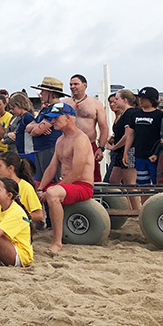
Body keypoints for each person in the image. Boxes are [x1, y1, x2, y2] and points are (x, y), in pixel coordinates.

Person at [37, 103, 95, 253]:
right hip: (65, 185)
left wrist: (52, 189)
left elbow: (77, 172)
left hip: (82, 185)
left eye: (56, 118)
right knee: (25, 186)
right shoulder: (60, 140)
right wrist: (40, 188)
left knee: (53, 193)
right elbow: (51, 168)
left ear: (68, 118)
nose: (53, 121)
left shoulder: (80, 139)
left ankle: (57, 242)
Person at [62, 74, 109, 183]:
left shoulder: (96, 104)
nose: (72, 87)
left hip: (89, 144)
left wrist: (101, 148)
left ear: (85, 85)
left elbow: (104, 127)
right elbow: (52, 120)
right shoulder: (64, 103)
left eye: (76, 84)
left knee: (92, 176)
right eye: (70, 84)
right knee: (68, 174)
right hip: (68, 143)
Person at [26, 77, 66, 182]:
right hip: (41, 148)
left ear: (50, 93)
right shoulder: (45, 109)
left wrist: (37, 127)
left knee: (51, 179)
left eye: (43, 91)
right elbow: (29, 127)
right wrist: (38, 126)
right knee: (42, 180)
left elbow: (36, 131)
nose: (41, 93)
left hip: (51, 148)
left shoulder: (59, 107)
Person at [106, 90, 139, 208]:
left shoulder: (130, 113)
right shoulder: (124, 114)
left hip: (129, 150)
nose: (115, 102)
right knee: (114, 180)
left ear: (125, 100)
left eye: (117, 99)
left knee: (130, 183)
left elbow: (128, 135)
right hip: (121, 151)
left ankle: (136, 209)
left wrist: (115, 146)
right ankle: (127, 205)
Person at [132, 87, 163, 186]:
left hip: (154, 155)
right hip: (139, 155)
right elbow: (131, 133)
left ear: (152, 100)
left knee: (157, 183)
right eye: (140, 98)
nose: (141, 100)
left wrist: (157, 153)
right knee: (142, 184)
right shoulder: (135, 114)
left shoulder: (160, 115)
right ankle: (145, 202)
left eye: (144, 98)